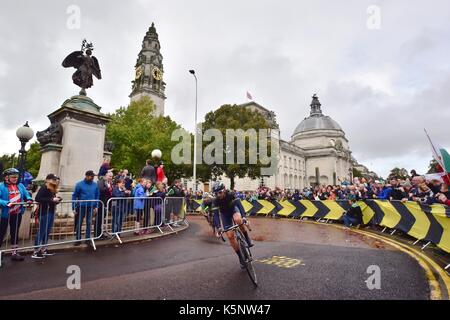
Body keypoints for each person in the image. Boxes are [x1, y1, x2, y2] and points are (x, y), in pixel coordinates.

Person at [212, 181, 253, 268]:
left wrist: (244, 217)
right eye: (216, 193)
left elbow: (239, 205)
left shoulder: (231, 194)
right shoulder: (215, 201)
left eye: (220, 192)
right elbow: (215, 215)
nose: (218, 195)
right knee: (230, 236)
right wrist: (219, 228)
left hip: (234, 210)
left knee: (238, 220)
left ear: (224, 190)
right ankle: (240, 257)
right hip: (225, 215)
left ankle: (246, 238)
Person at [0, 168, 33, 261]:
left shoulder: (20, 185)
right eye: (13, 177)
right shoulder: (1, 186)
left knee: (15, 232)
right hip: (4, 214)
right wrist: (5, 203)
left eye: (16, 177)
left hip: (17, 213)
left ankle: (14, 253)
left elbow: (26, 194)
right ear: (6, 177)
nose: (15, 178)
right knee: (1, 233)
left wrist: (29, 199)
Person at [32, 174, 62, 259]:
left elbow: (51, 200)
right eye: (53, 179)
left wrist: (57, 200)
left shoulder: (52, 188)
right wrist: (52, 200)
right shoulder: (44, 188)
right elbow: (38, 198)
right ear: (47, 180)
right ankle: (36, 251)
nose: (55, 181)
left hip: (51, 211)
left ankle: (43, 249)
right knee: (41, 231)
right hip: (44, 212)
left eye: (55, 179)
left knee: (47, 231)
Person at [72, 170, 100, 244]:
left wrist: (96, 206)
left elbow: (97, 195)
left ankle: (87, 238)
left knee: (89, 222)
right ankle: (78, 239)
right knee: (79, 223)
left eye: (93, 176)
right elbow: (74, 196)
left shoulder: (95, 185)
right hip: (81, 207)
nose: (93, 177)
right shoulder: (79, 184)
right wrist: (74, 207)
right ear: (86, 176)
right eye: (91, 176)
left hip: (91, 207)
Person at [96, 171, 113, 238]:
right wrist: (108, 188)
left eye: (111, 176)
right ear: (106, 176)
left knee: (102, 219)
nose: (110, 178)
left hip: (106, 203)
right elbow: (101, 189)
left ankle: (101, 233)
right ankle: (97, 234)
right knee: (98, 219)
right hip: (101, 203)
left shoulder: (109, 182)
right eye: (109, 176)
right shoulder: (101, 181)